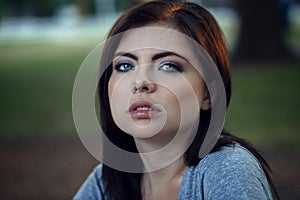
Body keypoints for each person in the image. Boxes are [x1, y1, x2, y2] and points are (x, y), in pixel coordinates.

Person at [74, 1, 278, 199]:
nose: (141, 82)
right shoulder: (106, 181)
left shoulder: (227, 167)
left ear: (208, 94)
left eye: (169, 65)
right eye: (125, 66)